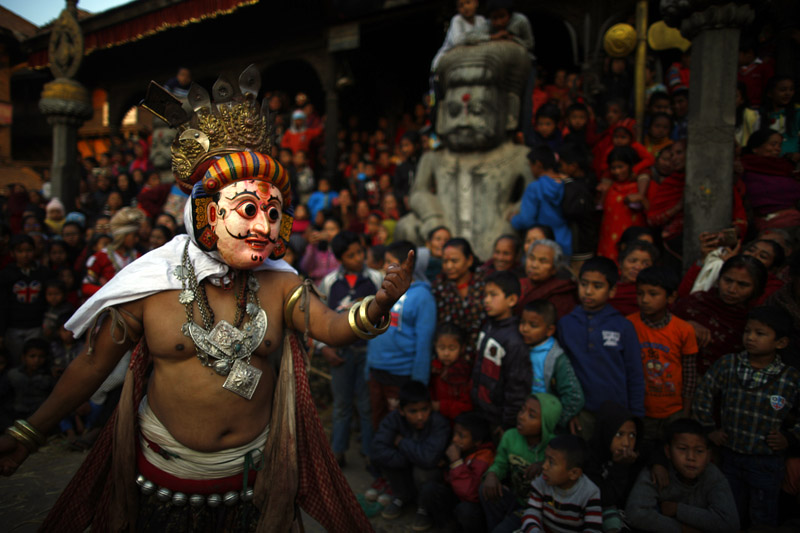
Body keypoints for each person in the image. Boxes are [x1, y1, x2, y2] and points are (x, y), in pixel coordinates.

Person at [1, 73, 415, 532]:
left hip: (251, 485)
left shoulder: (279, 285)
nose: (264, 227)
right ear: (205, 213)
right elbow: (92, 364)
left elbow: (334, 327)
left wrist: (379, 303)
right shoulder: (150, 285)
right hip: (162, 482)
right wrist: (29, 431)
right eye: (249, 210)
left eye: (274, 213)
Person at [693, 305, 800, 528]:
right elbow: (704, 392)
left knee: (763, 516)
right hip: (730, 455)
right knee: (729, 511)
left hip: (767, 461)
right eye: (747, 332)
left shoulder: (790, 377)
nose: (750, 338)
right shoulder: (728, 364)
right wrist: (709, 428)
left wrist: (790, 437)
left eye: (760, 334)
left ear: (780, 343)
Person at [557, 257, 644, 439]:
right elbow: (561, 372)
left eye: (597, 286)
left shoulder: (623, 326)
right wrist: (569, 411)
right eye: (584, 284)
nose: (588, 291)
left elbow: (634, 372)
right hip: (582, 412)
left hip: (617, 411)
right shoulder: (566, 324)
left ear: (612, 291)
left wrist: (635, 414)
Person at [316, 231, 382, 467]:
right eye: (351, 255)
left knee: (366, 405)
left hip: (367, 352)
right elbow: (319, 315)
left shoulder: (376, 278)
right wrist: (324, 346)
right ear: (340, 258)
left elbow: (385, 314)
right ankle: (338, 452)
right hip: (340, 354)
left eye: (360, 252)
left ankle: (369, 452)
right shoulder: (330, 282)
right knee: (342, 405)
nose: (358, 258)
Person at [367, 240, 437, 429]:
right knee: (378, 424)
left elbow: (424, 343)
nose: (384, 266)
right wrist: (369, 367)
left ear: (406, 265)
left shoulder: (422, 297)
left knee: (399, 428)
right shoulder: (383, 290)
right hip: (377, 371)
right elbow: (374, 333)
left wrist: (418, 384)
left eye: (389, 262)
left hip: (401, 376)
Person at [625, 418, 740, 532]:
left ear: (708, 455)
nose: (691, 457)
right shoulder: (658, 472)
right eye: (682, 449)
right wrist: (682, 529)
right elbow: (636, 514)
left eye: (699, 451)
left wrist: (677, 509)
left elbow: (730, 523)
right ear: (668, 451)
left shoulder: (712, 475)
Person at [628, 266, 699, 444]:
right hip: (640, 409)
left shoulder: (684, 330)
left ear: (671, 297)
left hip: (674, 411)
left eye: (653, 294)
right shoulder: (628, 325)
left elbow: (689, 374)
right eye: (640, 293)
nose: (644, 300)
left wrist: (686, 412)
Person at [370, 380, 451, 523]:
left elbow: (428, 458)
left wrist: (401, 442)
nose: (420, 416)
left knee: (424, 471)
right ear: (401, 410)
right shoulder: (393, 419)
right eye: (413, 411)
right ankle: (401, 497)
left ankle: (424, 506)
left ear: (430, 407)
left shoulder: (439, 423)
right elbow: (378, 450)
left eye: (424, 409)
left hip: (427, 474)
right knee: (390, 461)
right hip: (406, 468)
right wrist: (414, 457)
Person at [673, 255, 768, 376]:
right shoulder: (694, 303)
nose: (732, 289)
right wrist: (684, 326)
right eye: (728, 280)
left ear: (757, 289)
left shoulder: (757, 319)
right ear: (719, 279)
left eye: (742, 285)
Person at [480, 393, 562, 532]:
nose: (521, 416)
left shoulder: (555, 447)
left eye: (531, 415)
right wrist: (492, 474)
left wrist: (543, 464)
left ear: (545, 424)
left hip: (538, 508)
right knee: (485, 489)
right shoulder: (510, 436)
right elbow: (500, 464)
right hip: (516, 499)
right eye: (522, 410)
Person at [471, 271, 530, 434]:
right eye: (485, 295)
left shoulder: (513, 340)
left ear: (511, 300)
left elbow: (516, 386)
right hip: (481, 409)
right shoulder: (488, 326)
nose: (486, 300)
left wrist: (507, 423)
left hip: (498, 418)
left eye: (493, 295)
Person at [417, 411, 495, 532]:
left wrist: (456, 462)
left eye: (461, 436)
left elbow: (471, 494)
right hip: (458, 497)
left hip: (472, 505)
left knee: (466, 510)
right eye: (455, 433)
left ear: (477, 442)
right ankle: (448, 525)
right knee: (430, 490)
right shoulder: (463, 449)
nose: (455, 439)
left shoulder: (484, 457)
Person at [519, 300, 584, 429]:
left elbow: (574, 397)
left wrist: (553, 423)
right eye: (522, 323)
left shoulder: (555, 357)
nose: (525, 329)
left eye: (533, 325)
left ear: (550, 330)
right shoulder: (519, 347)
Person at [520, 434, 602, 532]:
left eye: (551, 462)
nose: (544, 466)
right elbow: (532, 512)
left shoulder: (590, 493)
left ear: (574, 473)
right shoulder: (541, 481)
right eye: (545, 459)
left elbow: (593, 529)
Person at [583, 401, 645, 531]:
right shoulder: (589, 457)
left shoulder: (637, 453)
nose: (626, 443)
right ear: (606, 432)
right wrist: (620, 467)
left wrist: (658, 464)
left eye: (632, 435)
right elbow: (605, 499)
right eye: (619, 434)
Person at [0, 234, 52, 366]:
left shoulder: (43, 273)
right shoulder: (6, 274)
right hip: (13, 327)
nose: (25, 255)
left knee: (37, 360)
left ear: (34, 251)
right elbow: (3, 304)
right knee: (17, 361)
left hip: (37, 325)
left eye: (28, 250)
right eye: (20, 251)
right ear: (12, 253)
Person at [432, 238, 487, 364]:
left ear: (469, 261)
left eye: (454, 261)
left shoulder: (484, 283)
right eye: (445, 261)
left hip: (480, 357)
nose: (449, 266)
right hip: (448, 359)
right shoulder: (439, 287)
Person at [511, 146, 571, 257]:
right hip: (564, 240)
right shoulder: (566, 183)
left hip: (541, 243)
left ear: (538, 164)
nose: (531, 170)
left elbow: (526, 220)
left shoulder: (535, 187)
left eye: (530, 166)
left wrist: (513, 219)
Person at [740, 128, 800, 230]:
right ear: (756, 148)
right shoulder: (745, 167)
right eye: (773, 144)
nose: (778, 149)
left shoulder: (785, 167)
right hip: (768, 222)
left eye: (779, 145)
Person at [597, 146, 649, 262]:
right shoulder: (609, 187)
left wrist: (641, 199)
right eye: (613, 168)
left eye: (621, 167)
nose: (617, 171)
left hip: (632, 242)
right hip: (608, 241)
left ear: (631, 166)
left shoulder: (640, 188)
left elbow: (652, 213)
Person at [517, 239, 578, 320]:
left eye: (543, 261)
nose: (534, 265)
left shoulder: (561, 293)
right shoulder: (519, 283)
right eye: (531, 258)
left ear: (554, 268)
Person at [430, 323, 474, 422]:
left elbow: (467, 405)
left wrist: (441, 406)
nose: (446, 353)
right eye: (441, 348)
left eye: (452, 348)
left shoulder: (463, 372)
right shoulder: (434, 369)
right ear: (435, 346)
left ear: (462, 349)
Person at [430, 0, 488, 72]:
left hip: (471, 60)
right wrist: (487, 38)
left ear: (476, 2)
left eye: (468, 2)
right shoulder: (457, 20)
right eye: (461, 5)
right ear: (457, 9)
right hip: (448, 61)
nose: (465, 7)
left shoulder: (481, 20)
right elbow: (457, 41)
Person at [6, 337, 54, 419]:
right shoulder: (13, 374)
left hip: (40, 415)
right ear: (23, 357)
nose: (36, 360)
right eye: (32, 356)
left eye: (41, 357)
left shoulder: (49, 376)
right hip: (16, 414)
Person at [608, 239, 658, 316]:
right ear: (620, 263)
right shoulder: (607, 285)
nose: (637, 267)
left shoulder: (654, 292)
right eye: (632, 261)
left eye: (645, 264)